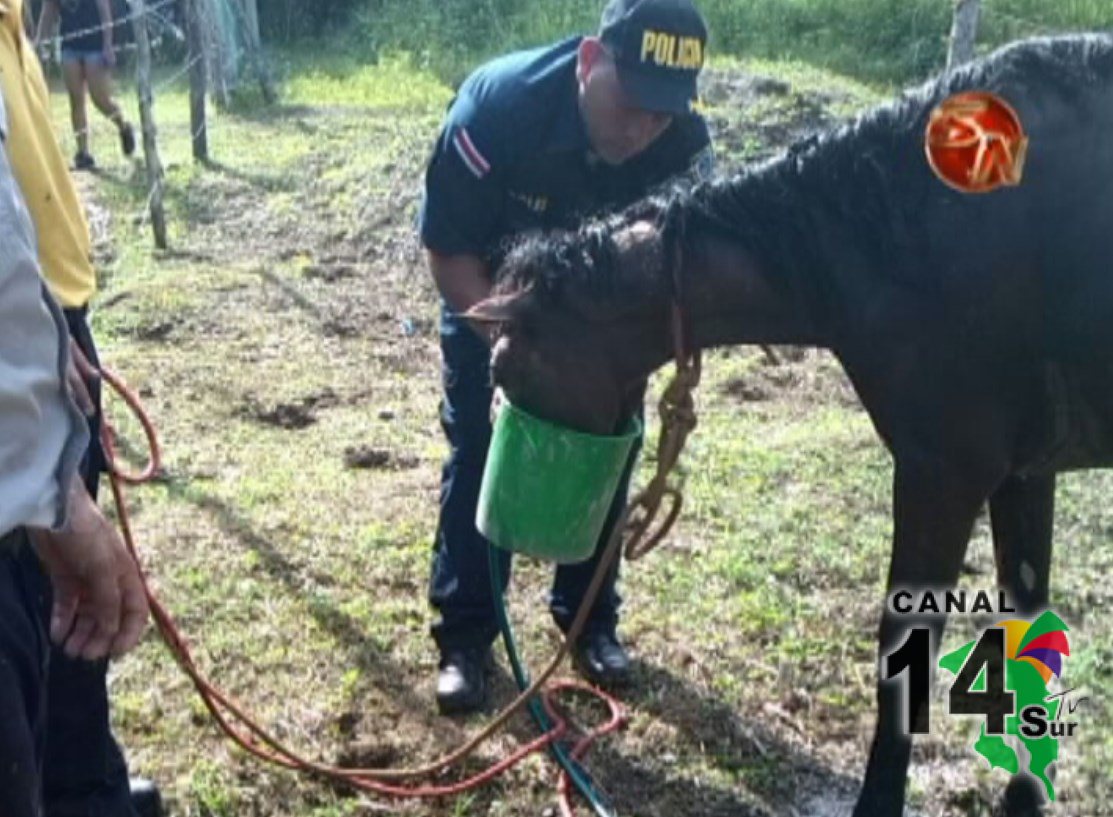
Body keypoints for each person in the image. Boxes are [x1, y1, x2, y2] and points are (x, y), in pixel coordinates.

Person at [419, 0, 714, 715]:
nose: (644, 127)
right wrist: (511, 351)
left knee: (607, 446)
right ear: (589, 62)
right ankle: (465, 637)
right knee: (483, 446)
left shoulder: (683, 145)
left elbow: (693, 260)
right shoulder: (498, 112)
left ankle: (586, 620)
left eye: (663, 111)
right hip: (495, 298)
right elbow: (449, 250)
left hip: (607, 322)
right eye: (632, 102)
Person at [0, 2, 161, 814]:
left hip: (45, 316)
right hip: (18, 345)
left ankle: (79, 777)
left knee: (51, 604)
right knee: (48, 586)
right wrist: (49, 489)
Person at [36, 0, 135, 170]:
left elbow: (104, 11)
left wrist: (108, 44)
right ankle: (83, 152)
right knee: (76, 99)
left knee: (100, 99)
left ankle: (123, 125)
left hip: (95, 45)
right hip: (70, 45)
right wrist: (39, 42)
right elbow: (48, 13)